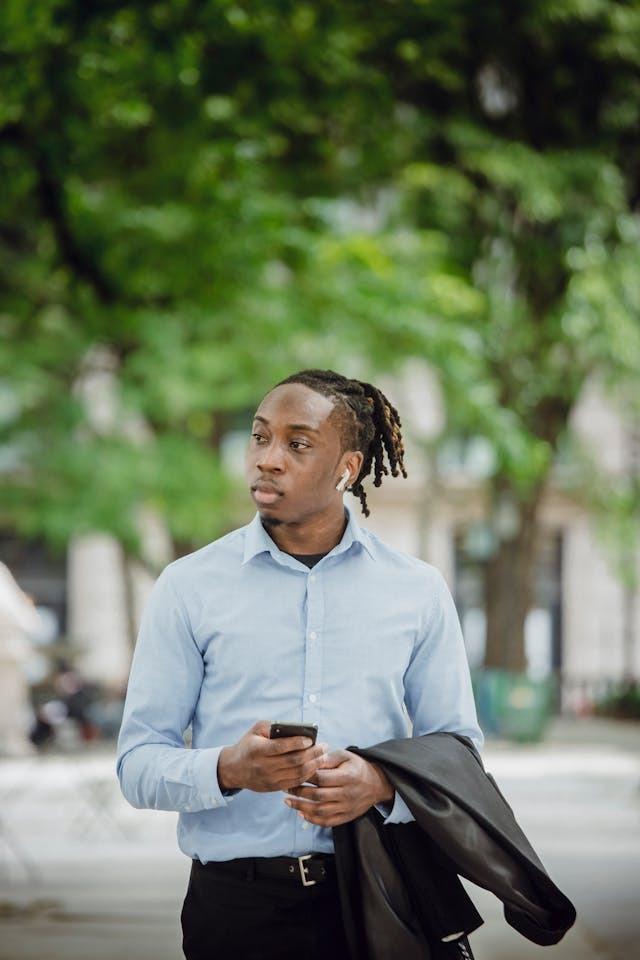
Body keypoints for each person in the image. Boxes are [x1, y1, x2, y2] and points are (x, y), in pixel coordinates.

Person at [116, 368, 483, 960]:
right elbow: (137, 765)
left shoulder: (417, 590)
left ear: (349, 468)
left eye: (298, 443)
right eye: (259, 437)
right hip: (238, 914)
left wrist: (381, 784)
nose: (268, 459)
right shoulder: (188, 587)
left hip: (381, 896)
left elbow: (460, 751)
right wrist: (228, 769)